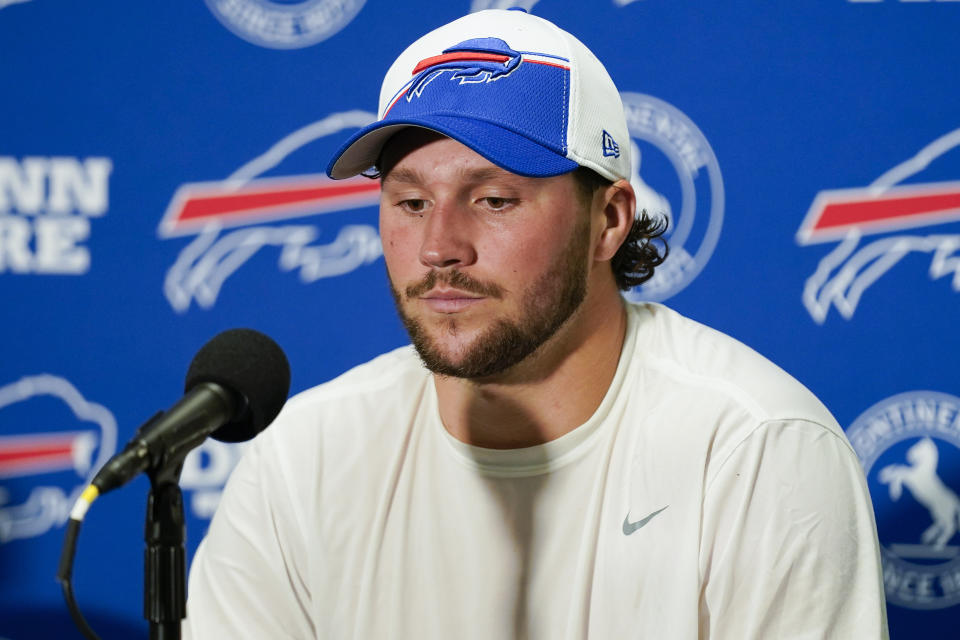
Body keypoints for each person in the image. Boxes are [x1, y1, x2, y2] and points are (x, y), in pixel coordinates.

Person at [183, 9, 888, 639]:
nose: (439, 247)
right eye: (410, 203)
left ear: (608, 220)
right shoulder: (303, 460)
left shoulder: (756, 453)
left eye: (492, 199)